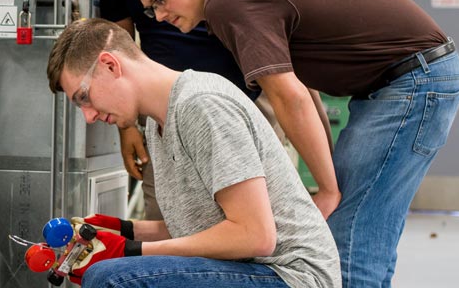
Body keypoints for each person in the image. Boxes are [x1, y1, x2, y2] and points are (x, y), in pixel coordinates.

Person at [116, 0, 459, 286]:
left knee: (347, 237)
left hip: (413, 79)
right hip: (407, 78)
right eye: (150, 9)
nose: (159, 16)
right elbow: (304, 88)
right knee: (366, 231)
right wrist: (329, 172)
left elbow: (290, 99)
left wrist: (329, 189)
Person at [46, 18, 340, 287]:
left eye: (83, 97)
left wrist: (131, 251)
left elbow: (255, 235)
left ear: (110, 65)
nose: (88, 116)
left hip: (291, 275)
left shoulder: (201, 104)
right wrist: (123, 230)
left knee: (111, 278)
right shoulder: (157, 124)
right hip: (252, 268)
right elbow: (199, 228)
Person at [97, 0, 329, 222]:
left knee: (263, 210)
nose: (159, 15)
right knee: (171, 216)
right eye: (154, 6)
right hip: (165, 102)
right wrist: (126, 125)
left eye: (160, 0)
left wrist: (329, 186)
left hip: (253, 87)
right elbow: (119, 38)